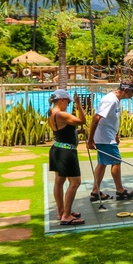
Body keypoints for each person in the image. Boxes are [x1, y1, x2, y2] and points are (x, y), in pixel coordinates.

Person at [87, 80, 133, 201]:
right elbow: (96, 118)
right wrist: (90, 140)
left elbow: (112, 119)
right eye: (132, 92)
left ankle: (95, 192)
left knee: (102, 164)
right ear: (126, 90)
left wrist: (116, 134)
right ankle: (120, 191)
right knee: (116, 161)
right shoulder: (110, 100)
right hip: (104, 137)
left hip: (108, 135)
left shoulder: (117, 100)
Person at [48, 89, 86, 226]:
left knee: (59, 181)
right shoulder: (61, 114)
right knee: (75, 182)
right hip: (66, 152)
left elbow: (64, 131)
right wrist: (79, 105)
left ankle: (61, 211)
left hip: (57, 148)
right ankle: (66, 215)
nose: (68, 105)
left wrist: (78, 132)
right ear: (62, 100)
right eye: (68, 102)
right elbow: (82, 120)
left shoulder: (51, 112)